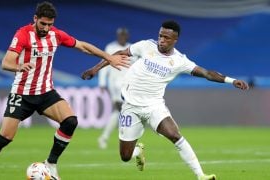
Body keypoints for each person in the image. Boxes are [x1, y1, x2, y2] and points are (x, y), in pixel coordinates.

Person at [0, 2, 129, 180]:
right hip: (22, 94)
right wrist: (19, 66)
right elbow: (6, 62)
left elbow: (83, 46)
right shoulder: (22, 34)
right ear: (35, 19)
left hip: (45, 92)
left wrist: (109, 57)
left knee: (70, 121)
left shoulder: (56, 35)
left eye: (50, 24)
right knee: (5, 137)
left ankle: (51, 164)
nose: (46, 28)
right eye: (43, 23)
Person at [81, 20, 249, 180]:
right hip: (130, 106)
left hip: (154, 106)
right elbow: (118, 54)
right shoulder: (146, 46)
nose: (161, 40)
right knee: (125, 156)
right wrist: (95, 69)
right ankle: (137, 152)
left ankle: (201, 175)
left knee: (174, 135)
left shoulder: (179, 61)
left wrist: (231, 80)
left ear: (175, 40)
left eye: (166, 37)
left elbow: (207, 73)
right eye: (160, 35)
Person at [97, 27, 132, 149]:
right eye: (120, 35)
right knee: (122, 110)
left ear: (127, 36)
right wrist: (102, 83)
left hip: (128, 85)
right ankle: (124, 139)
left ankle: (105, 137)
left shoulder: (131, 48)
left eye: (124, 35)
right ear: (118, 36)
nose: (122, 37)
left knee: (120, 112)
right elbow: (104, 65)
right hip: (115, 85)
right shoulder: (110, 47)